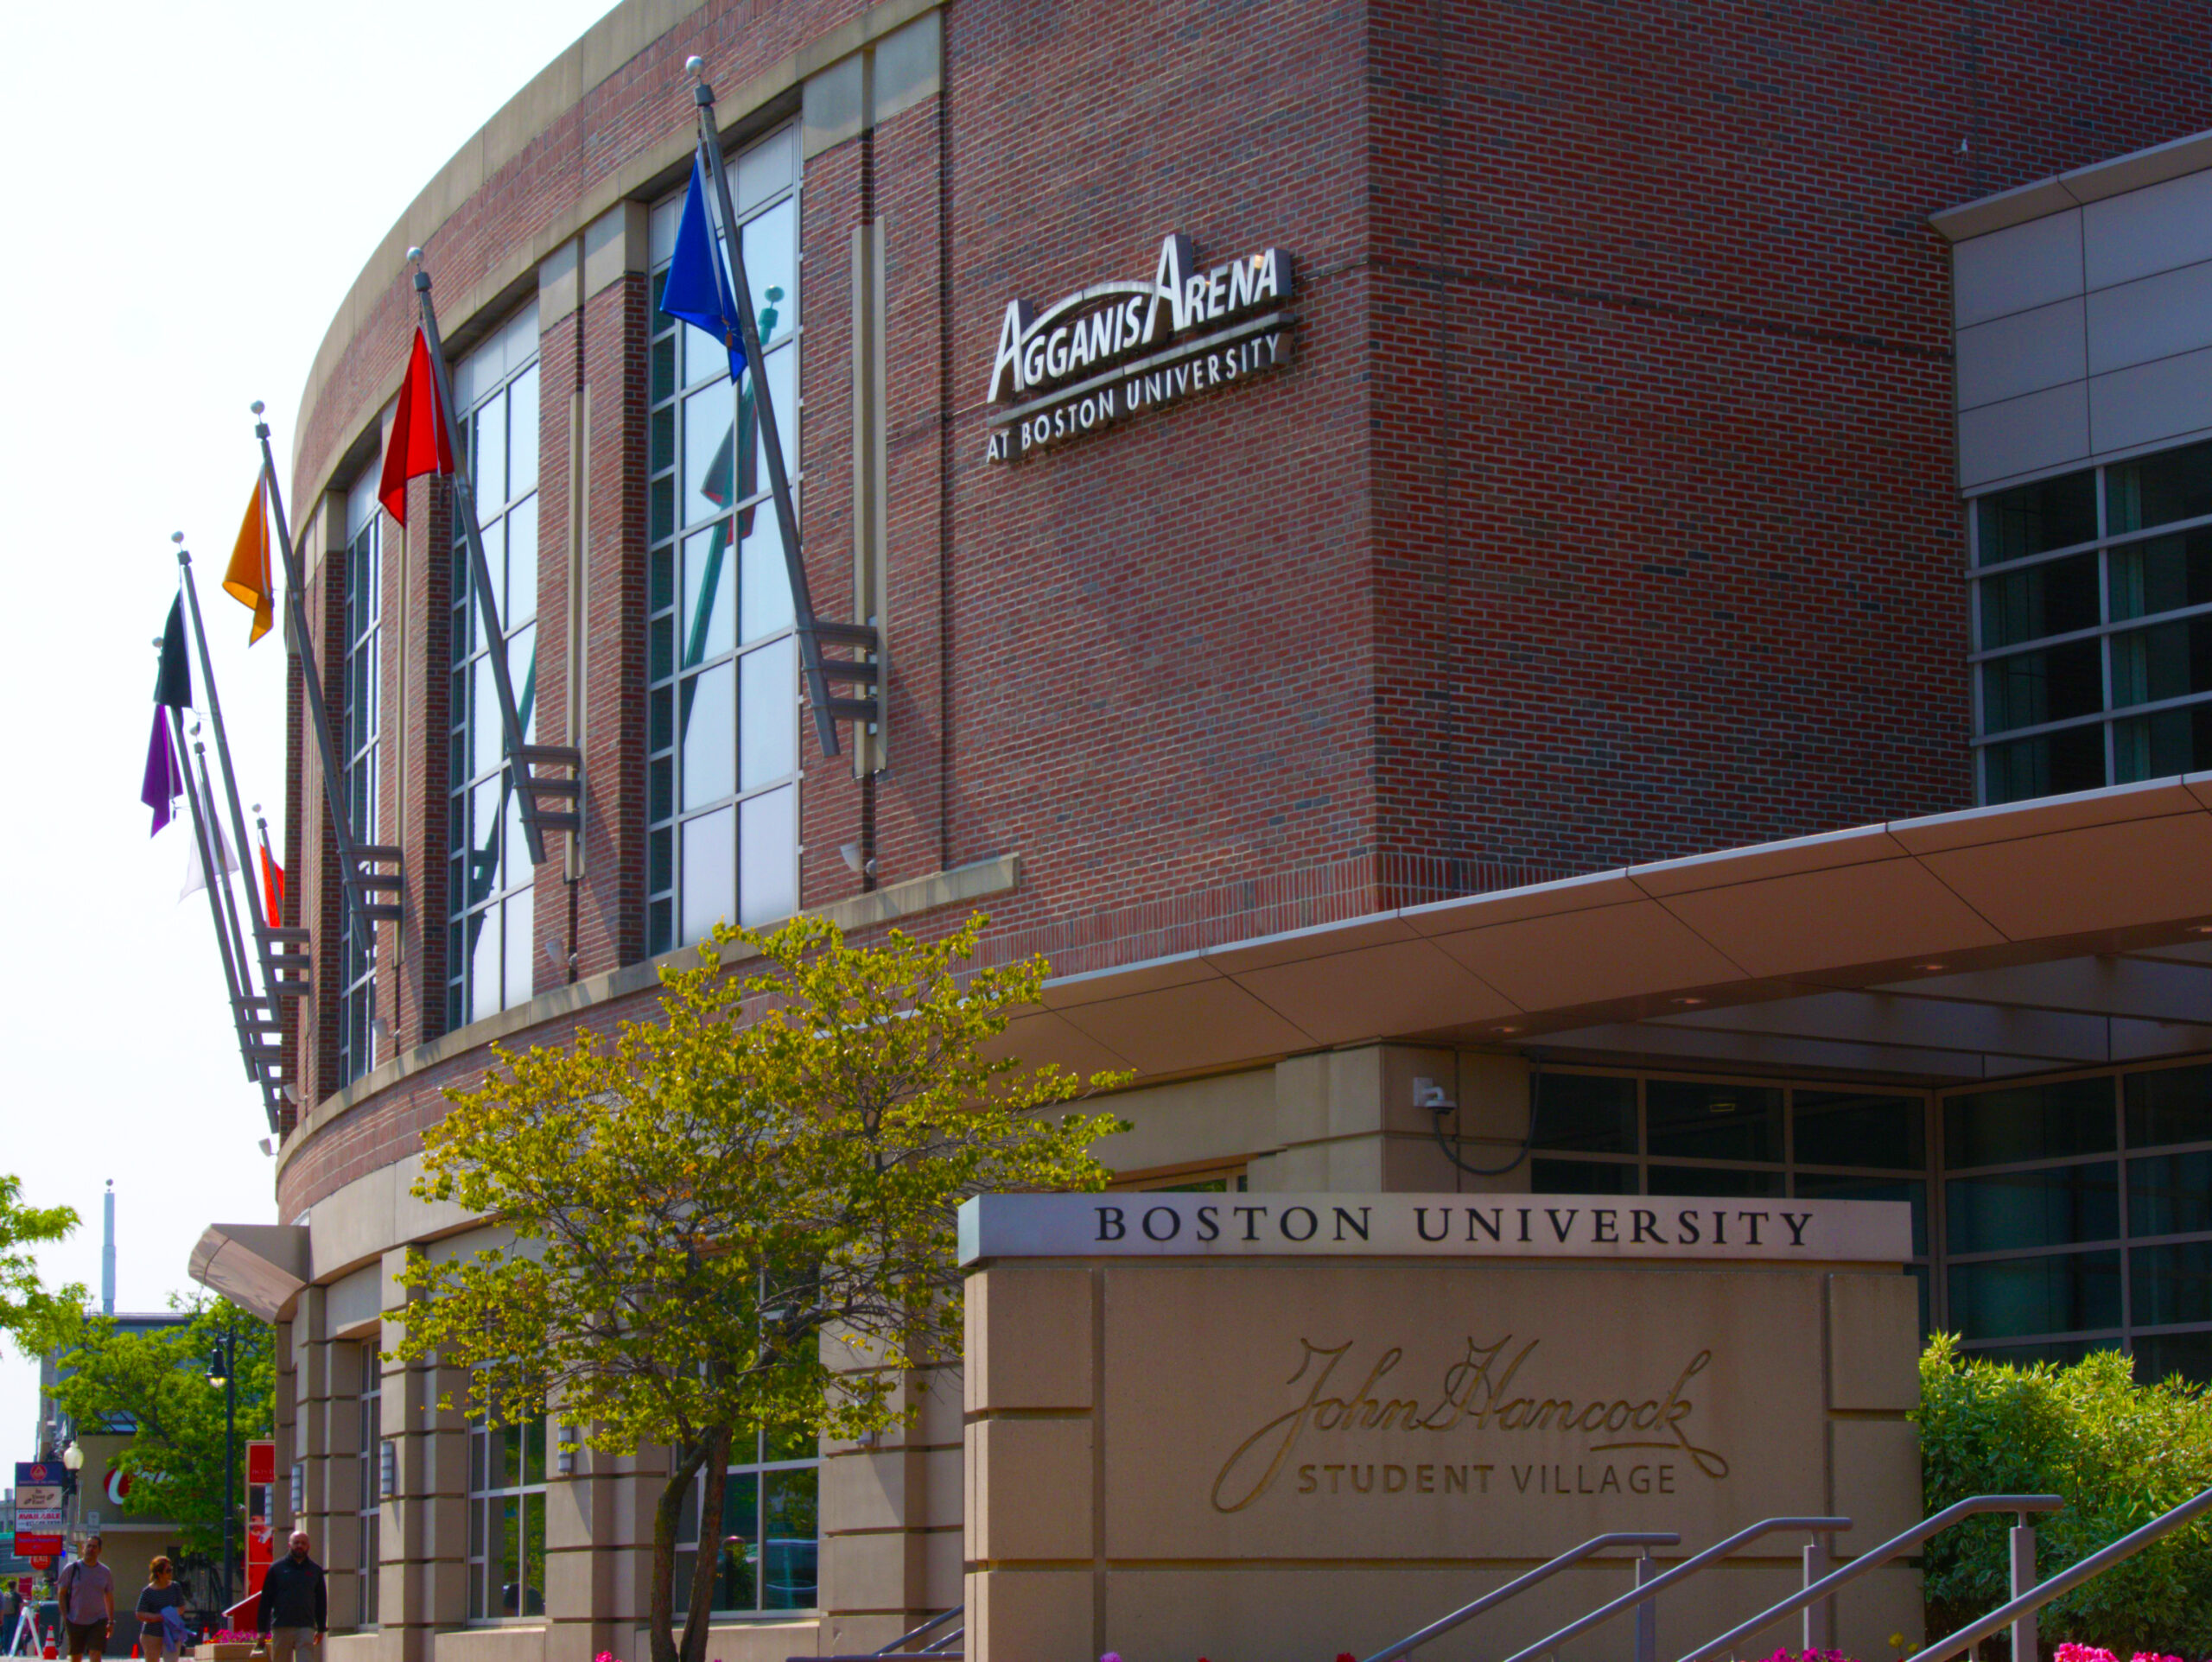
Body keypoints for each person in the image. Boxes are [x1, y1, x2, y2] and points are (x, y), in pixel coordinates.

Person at [256, 1532, 324, 1662]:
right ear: (289, 1545)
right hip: (282, 1626)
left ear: (308, 1546)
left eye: (303, 1543)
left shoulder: (315, 1570)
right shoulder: (276, 1568)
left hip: (305, 1626)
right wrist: (261, 1630)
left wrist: (321, 1627)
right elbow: (265, 1601)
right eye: (296, 1542)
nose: (300, 1546)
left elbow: (321, 1600)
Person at [55, 1538, 112, 1662]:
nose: (91, 1549)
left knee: (95, 1653)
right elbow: (61, 1593)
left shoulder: (105, 1572)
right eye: (89, 1546)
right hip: (75, 1619)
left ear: (99, 1550)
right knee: (76, 1657)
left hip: (98, 1620)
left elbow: (109, 1597)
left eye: (94, 1547)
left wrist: (110, 1621)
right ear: (83, 1549)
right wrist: (66, 1617)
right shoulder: (72, 1568)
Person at [132, 1561, 184, 1662]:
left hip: (172, 1632)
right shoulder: (148, 1591)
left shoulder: (175, 1587)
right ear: (159, 1573)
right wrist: (159, 1617)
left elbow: (181, 1608)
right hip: (152, 1633)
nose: (171, 1573)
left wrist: (170, 1614)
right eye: (168, 1570)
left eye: (171, 1569)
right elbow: (139, 1613)